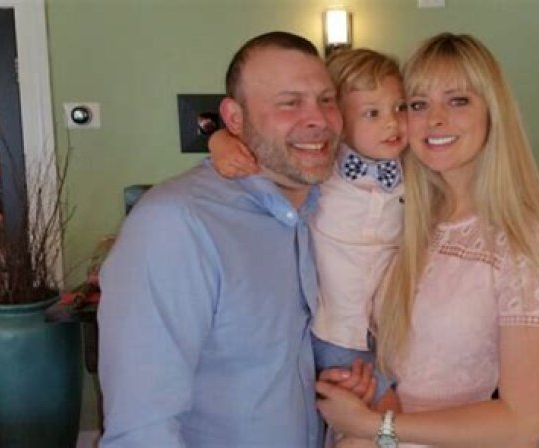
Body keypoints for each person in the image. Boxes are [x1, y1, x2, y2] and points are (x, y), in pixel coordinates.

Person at [98, 31, 373, 448]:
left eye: (326, 99)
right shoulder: (176, 223)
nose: (318, 118)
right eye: (289, 102)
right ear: (234, 118)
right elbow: (142, 428)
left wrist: (327, 381)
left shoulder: (322, 210)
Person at [314, 33, 539, 448]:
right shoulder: (401, 214)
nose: (435, 119)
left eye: (458, 100)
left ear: (493, 112)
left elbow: (523, 423)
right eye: (417, 104)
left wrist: (377, 427)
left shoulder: (529, 242)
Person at [208, 47, 407, 445]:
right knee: (382, 420)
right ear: (339, 123)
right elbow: (259, 151)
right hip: (333, 331)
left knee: (360, 425)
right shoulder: (323, 169)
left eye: (399, 108)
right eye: (372, 113)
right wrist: (220, 141)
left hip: (382, 331)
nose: (392, 123)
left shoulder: (408, 168)